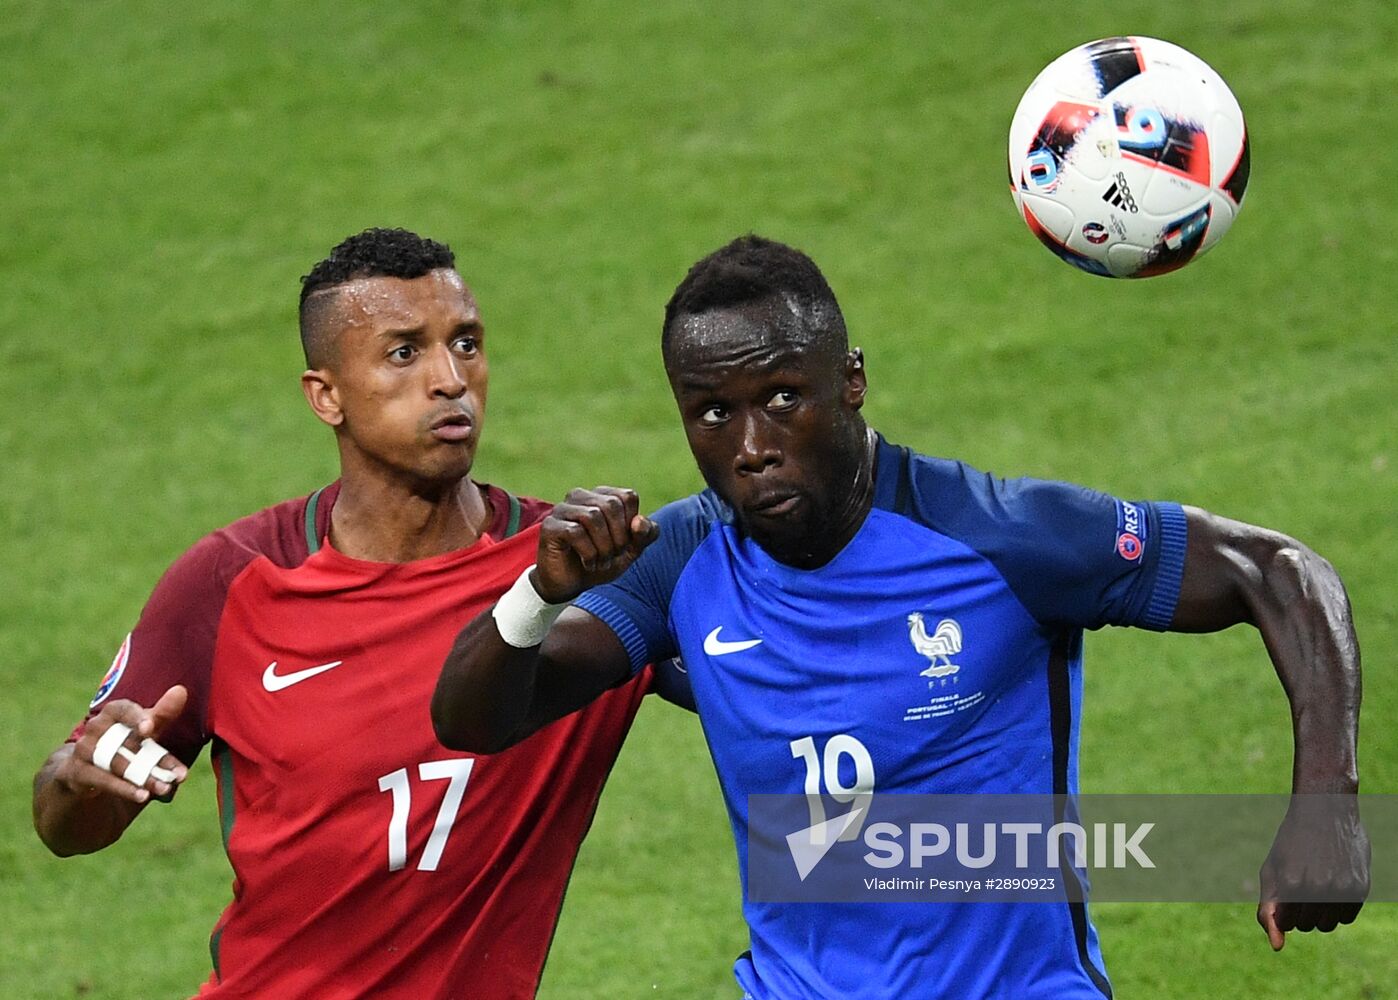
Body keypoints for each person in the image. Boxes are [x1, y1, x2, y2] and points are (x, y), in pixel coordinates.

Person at [432, 235, 1369, 999]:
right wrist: (540, 591)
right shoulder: (680, 559)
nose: (752, 448)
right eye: (712, 414)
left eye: (782, 399)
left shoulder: (999, 537)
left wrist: (1326, 806)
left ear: (852, 380)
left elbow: (1278, 571)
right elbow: (473, 719)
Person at [32, 228, 685, 999]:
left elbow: (790, 722)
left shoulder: (577, 576)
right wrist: (84, 778)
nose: (450, 380)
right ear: (326, 394)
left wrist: (850, 898)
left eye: (466, 343)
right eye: (404, 352)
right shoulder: (234, 580)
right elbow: (64, 824)